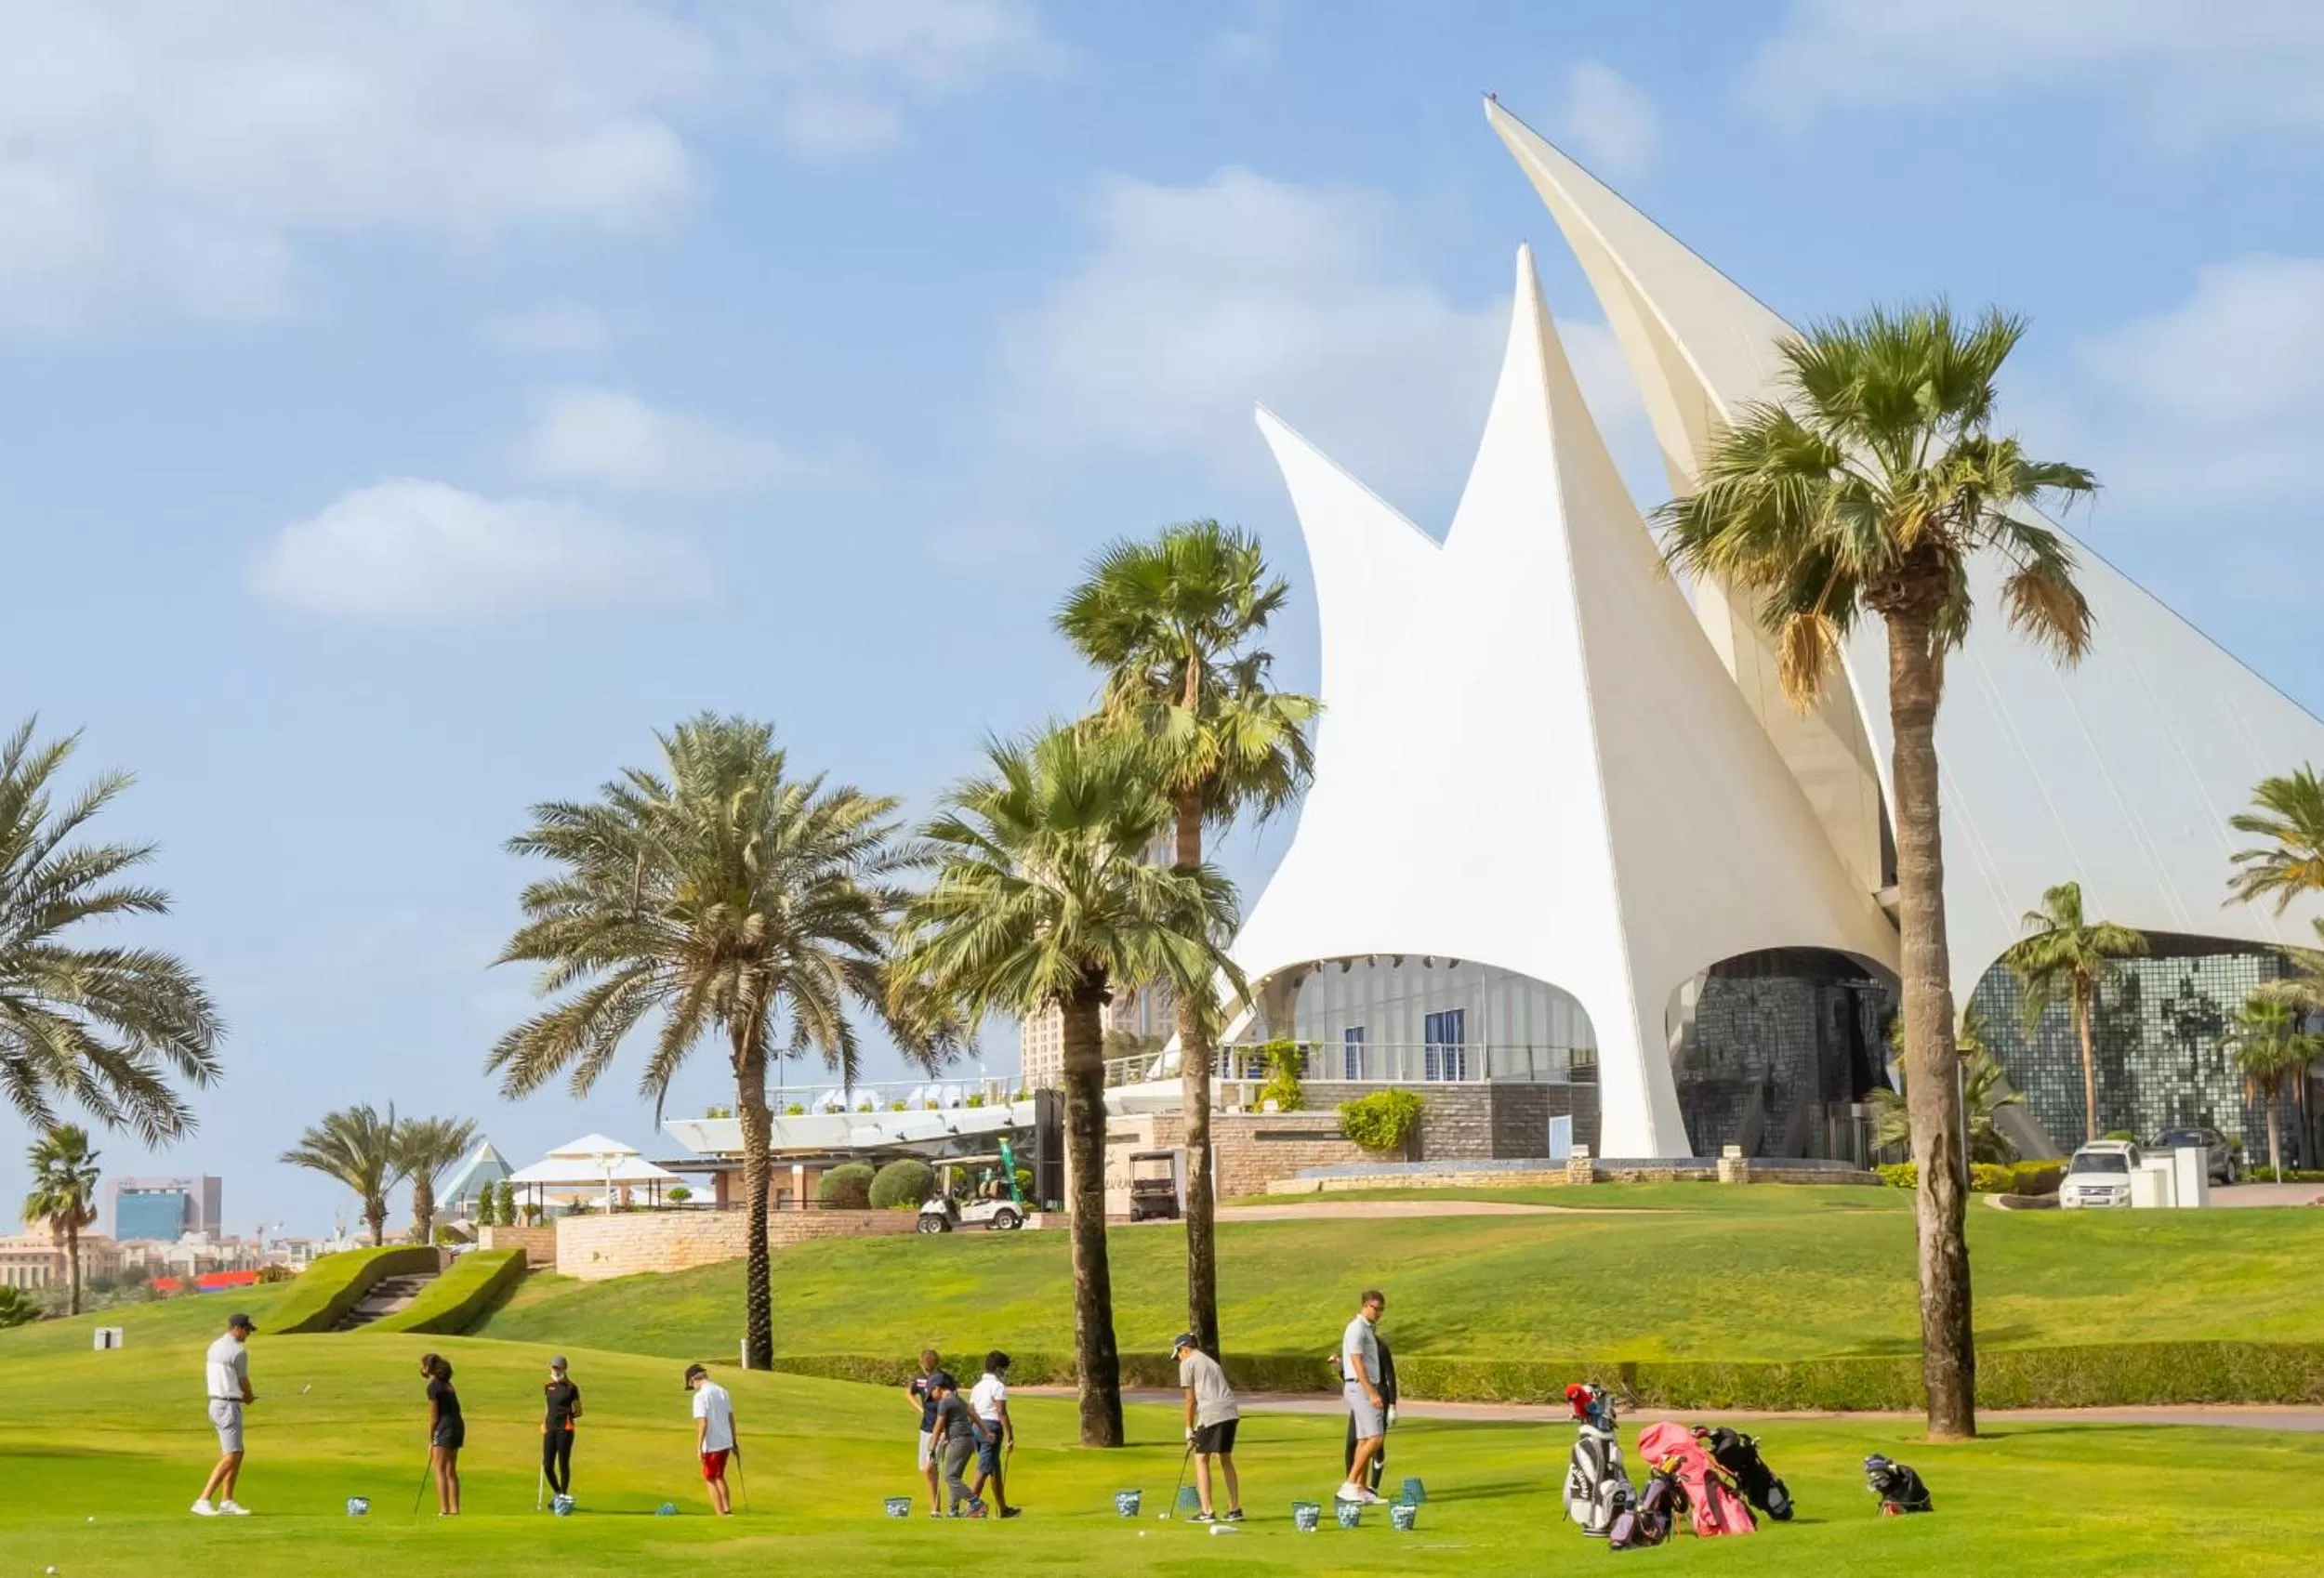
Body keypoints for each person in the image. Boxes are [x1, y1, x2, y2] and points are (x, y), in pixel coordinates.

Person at [192, 1311, 257, 1517]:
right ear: (237, 1328)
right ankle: (203, 1500)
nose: (248, 1334)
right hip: (228, 1406)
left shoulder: (214, 1346)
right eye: (247, 1330)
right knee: (232, 1455)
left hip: (216, 1404)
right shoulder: (239, 1351)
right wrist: (248, 1396)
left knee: (237, 1452)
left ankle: (227, 1501)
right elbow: (243, 1381)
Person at [1173, 1332, 1242, 1523]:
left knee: (1201, 1458)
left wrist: (1188, 1428)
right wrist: (1198, 1425)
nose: (1178, 1358)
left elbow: (1190, 1400)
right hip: (1230, 1411)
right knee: (1225, 1458)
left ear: (1184, 1349)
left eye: (1178, 1354)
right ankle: (1235, 1509)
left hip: (1213, 1413)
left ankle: (1207, 1511)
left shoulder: (1187, 1363)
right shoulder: (1210, 1362)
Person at [1337, 1289, 1389, 1505]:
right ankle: (1349, 1484)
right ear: (1365, 1305)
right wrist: (1372, 1392)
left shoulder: (1367, 1329)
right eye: (1375, 1308)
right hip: (1360, 1387)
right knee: (1376, 1438)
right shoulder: (1357, 1328)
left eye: (1381, 1310)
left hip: (1362, 1387)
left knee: (1364, 1439)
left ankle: (1360, 1488)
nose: (1378, 1313)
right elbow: (1357, 1362)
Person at [1341, 1331, 1398, 1493]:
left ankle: (1372, 1485)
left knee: (1375, 1442)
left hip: (1378, 1395)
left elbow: (1390, 1377)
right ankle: (1352, 1483)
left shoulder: (1380, 1348)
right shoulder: (1358, 1351)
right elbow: (1352, 1376)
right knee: (1353, 1440)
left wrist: (1393, 1404)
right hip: (1362, 1395)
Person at [968, 1351, 1020, 1518]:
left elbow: (971, 1411)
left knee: (994, 1468)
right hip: (991, 1428)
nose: (1005, 1372)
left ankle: (1003, 1508)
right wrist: (1010, 1435)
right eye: (1004, 1369)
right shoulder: (998, 1386)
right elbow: (1001, 1412)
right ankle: (972, 1508)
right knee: (983, 1469)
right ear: (998, 1369)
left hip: (977, 1427)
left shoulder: (977, 1387)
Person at [927, 1370, 985, 1518]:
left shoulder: (944, 1402)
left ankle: (977, 1504)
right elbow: (969, 1413)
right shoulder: (957, 1399)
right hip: (968, 1440)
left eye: (931, 1393)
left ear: (937, 1388)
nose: (931, 1398)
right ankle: (953, 1511)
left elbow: (938, 1427)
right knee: (955, 1476)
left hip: (959, 1441)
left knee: (950, 1477)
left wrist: (932, 1448)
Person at [686, 1362, 737, 1516]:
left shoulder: (700, 1396)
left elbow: (703, 1423)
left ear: (693, 1379)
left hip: (712, 1444)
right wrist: (734, 1441)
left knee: (710, 1478)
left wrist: (699, 1447)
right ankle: (727, 1510)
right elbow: (730, 1418)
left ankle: (720, 1513)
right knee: (719, 1476)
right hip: (725, 1442)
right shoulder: (723, 1391)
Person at [420, 1353, 464, 1517]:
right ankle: (455, 1509)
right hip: (458, 1425)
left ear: (428, 1367)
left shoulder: (434, 1387)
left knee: (438, 1468)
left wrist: (431, 1439)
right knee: (450, 1470)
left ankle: (444, 1509)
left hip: (444, 1427)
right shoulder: (448, 1384)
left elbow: (434, 1417)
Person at [906, 1348, 944, 1518]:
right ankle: (935, 1508)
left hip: (942, 1429)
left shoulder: (944, 1379)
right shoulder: (919, 1380)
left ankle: (940, 1508)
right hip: (926, 1429)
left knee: (936, 1468)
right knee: (929, 1470)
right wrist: (920, 1409)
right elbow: (908, 1393)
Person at [542, 1355, 583, 1503]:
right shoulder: (548, 1386)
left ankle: (564, 1494)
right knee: (547, 1465)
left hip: (565, 1429)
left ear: (564, 1369)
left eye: (558, 1367)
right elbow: (548, 1408)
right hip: (550, 1428)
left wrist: (568, 1417)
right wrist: (544, 1423)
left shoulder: (571, 1388)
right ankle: (558, 1493)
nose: (556, 1370)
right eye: (554, 1367)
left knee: (563, 1463)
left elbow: (578, 1411)